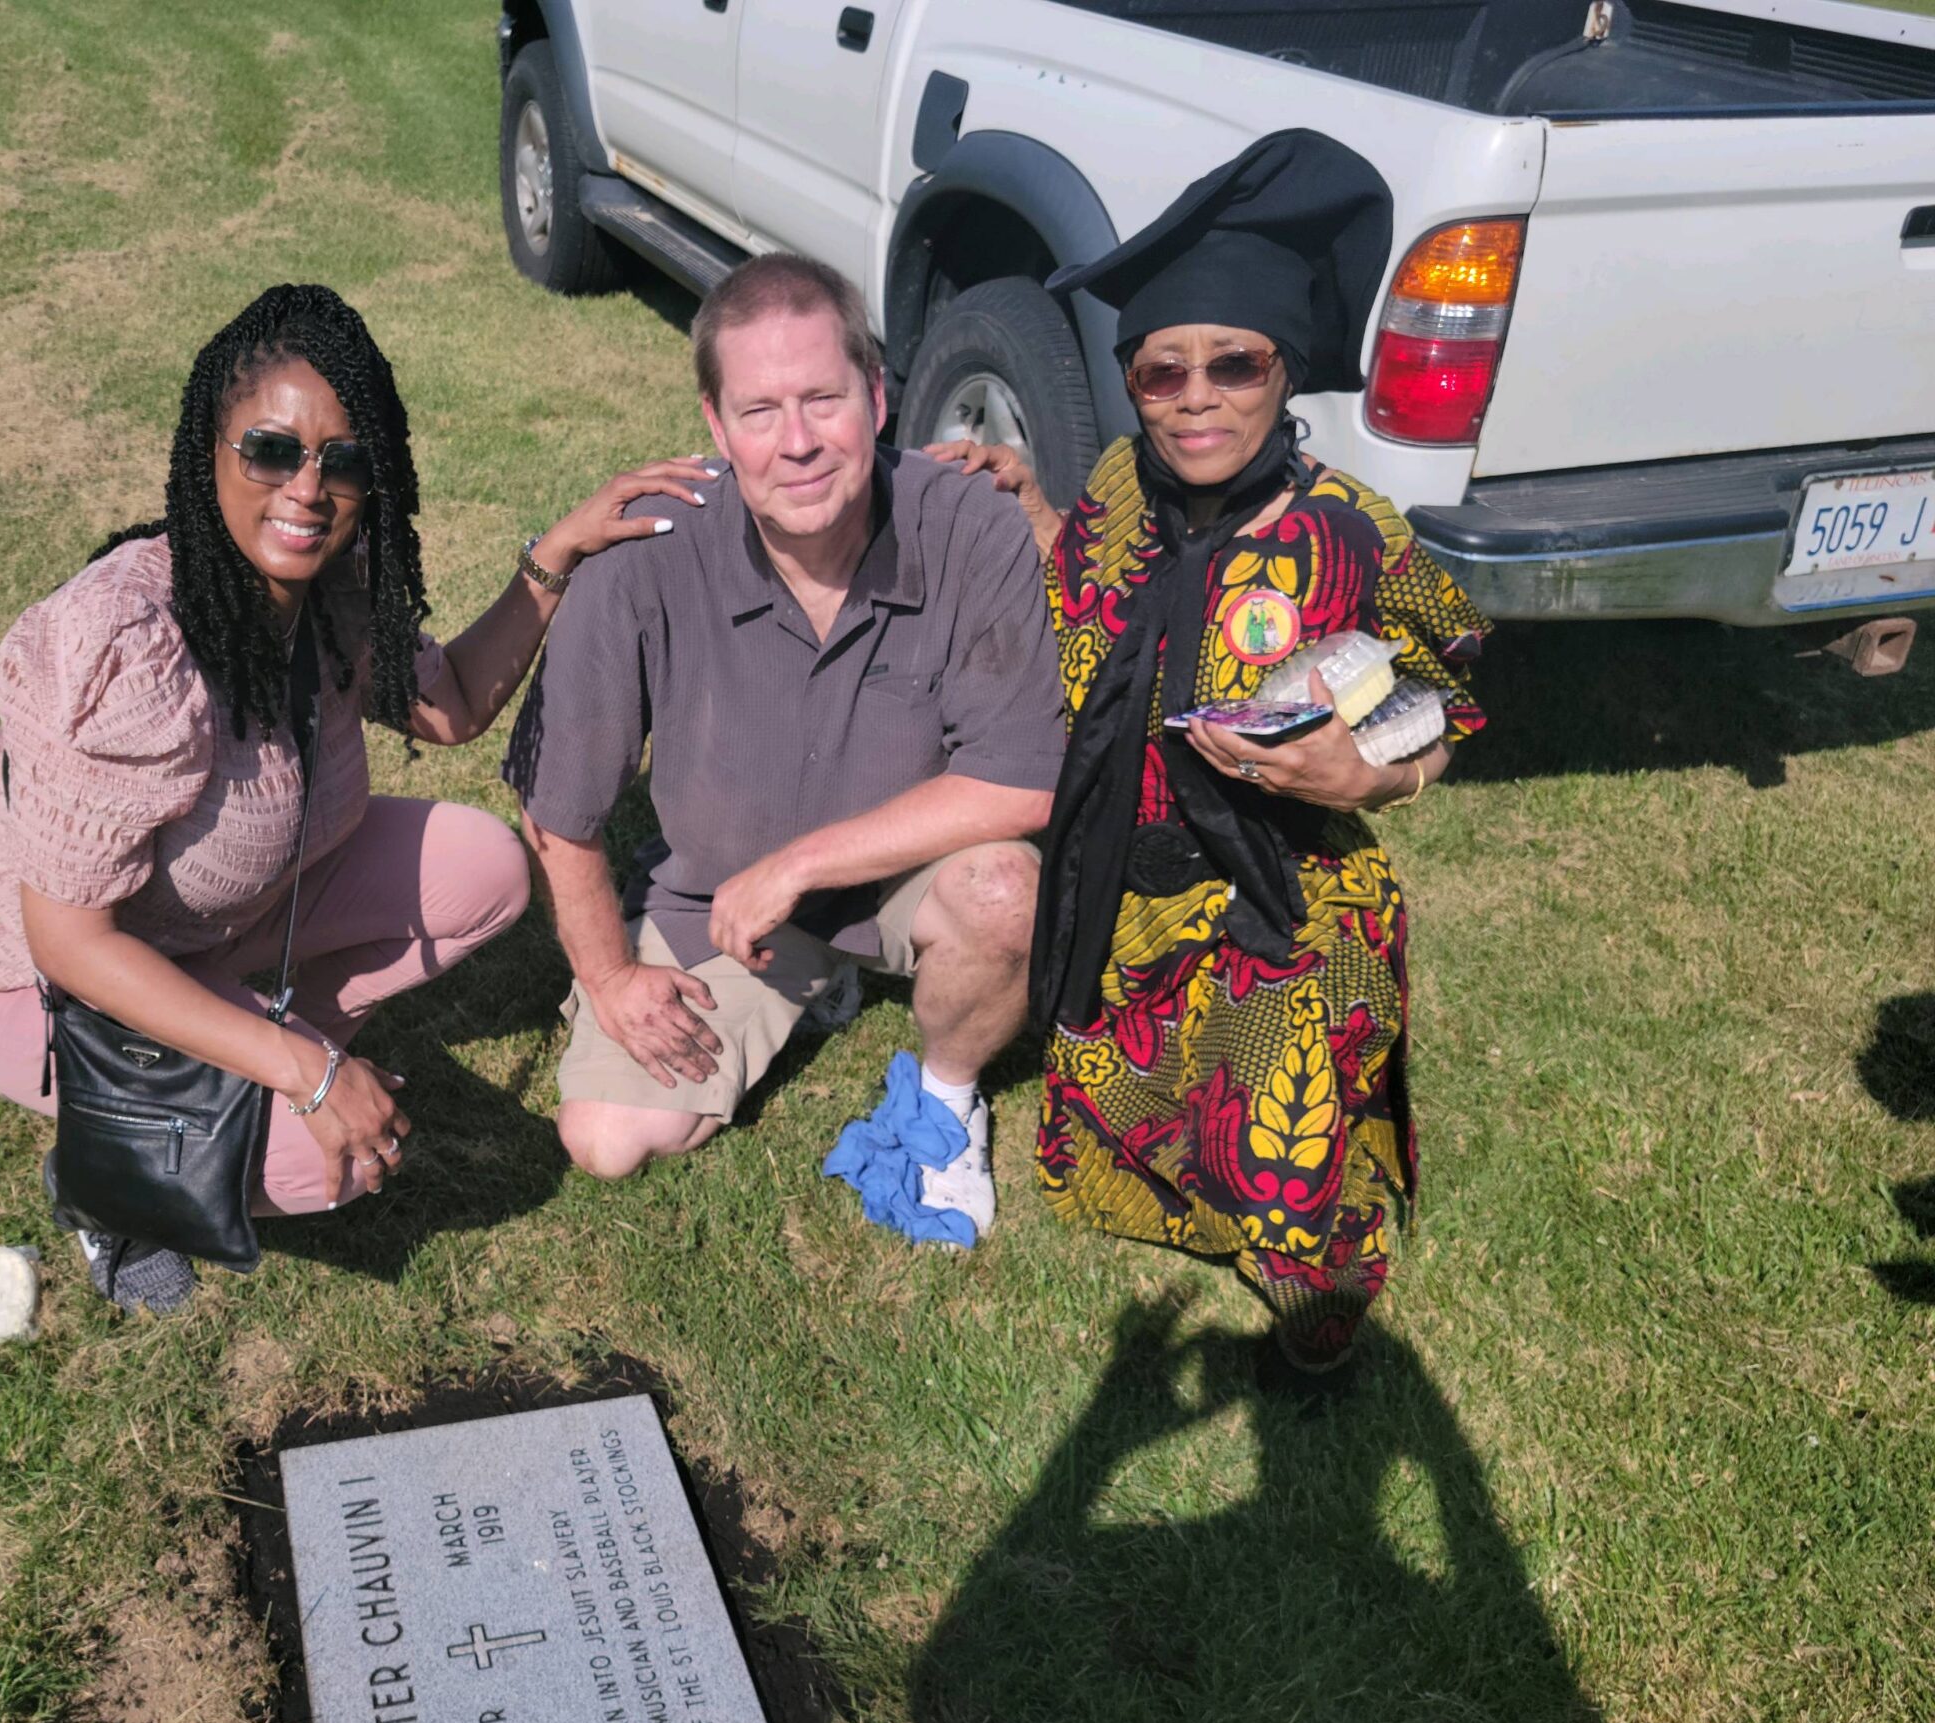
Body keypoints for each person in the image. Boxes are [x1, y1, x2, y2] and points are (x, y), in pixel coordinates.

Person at [0, 283, 711, 1311]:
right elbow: (71, 943)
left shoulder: (333, 588)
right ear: (210, 453)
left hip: (209, 925)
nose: (307, 488)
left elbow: (450, 706)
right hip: (24, 973)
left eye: (345, 460)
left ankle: (261, 1051)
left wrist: (555, 555)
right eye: (271, 451)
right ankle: (117, 1187)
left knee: (484, 870)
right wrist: (310, 1076)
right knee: (331, 1165)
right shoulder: (120, 648)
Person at [930, 130, 1488, 1377]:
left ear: (1282, 373)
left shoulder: (1349, 534)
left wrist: (1374, 775)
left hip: (1276, 898)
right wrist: (1027, 507)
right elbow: (1100, 613)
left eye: (1231, 366)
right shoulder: (1124, 487)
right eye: (1159, 372)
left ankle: (1321, 1252)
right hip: (1123, 885)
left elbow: (1440, 696)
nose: (1194, 400)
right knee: (1100, 1138)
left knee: (1277, 1178)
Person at [504, 254, 1068, 1236]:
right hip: (718, 896)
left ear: (880, 397)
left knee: (1009, 893)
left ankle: (945, 1096)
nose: (797, 443)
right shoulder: (642, 553)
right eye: (759, 412)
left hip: (911, 873)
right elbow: (559, 809)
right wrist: (609, 977)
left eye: (824, 399)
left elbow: (1023, 786)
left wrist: (800, 865)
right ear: (716, 427)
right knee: (604, 1139)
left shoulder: (971, 522)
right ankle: (807, 971)